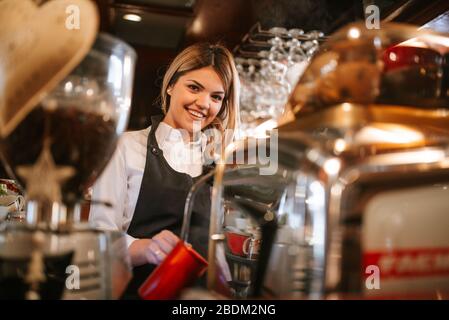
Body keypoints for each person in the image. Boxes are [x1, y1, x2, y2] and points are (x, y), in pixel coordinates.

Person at [89, 42, 240, 298]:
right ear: (171, 85)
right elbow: (101, 237)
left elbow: (216, 245)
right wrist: (147, 249)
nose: (204, 103)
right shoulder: (125, 146)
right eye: (194, 87)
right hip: (139, 290)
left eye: (216, 97)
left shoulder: (218, 160)